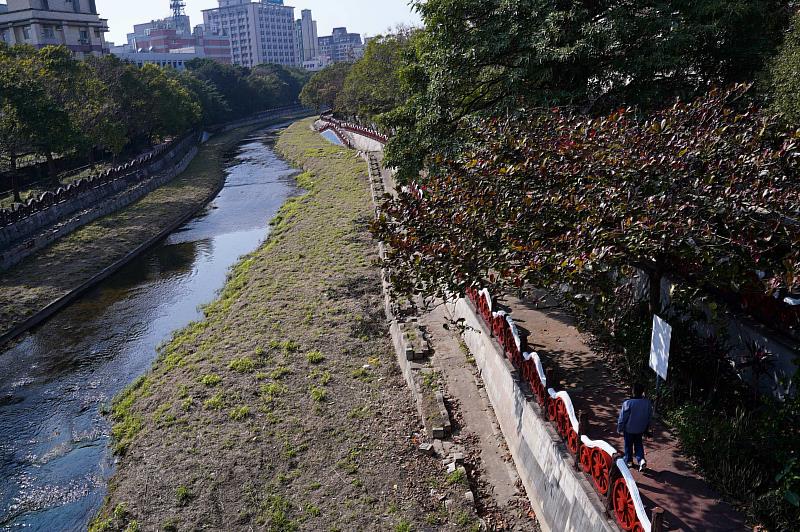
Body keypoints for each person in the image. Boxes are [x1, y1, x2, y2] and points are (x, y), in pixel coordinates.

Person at [617, 383, 653, 472]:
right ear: (642, 392)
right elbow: (649, 417)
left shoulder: (628, 403)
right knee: (638, 444)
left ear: (633, 392)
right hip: (640, 428)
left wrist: (619, 428)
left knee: (628, 445)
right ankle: (641, 460)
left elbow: (622, 418)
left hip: (629, 429)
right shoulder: (647, 403)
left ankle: (629, 461)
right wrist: (647, 428)